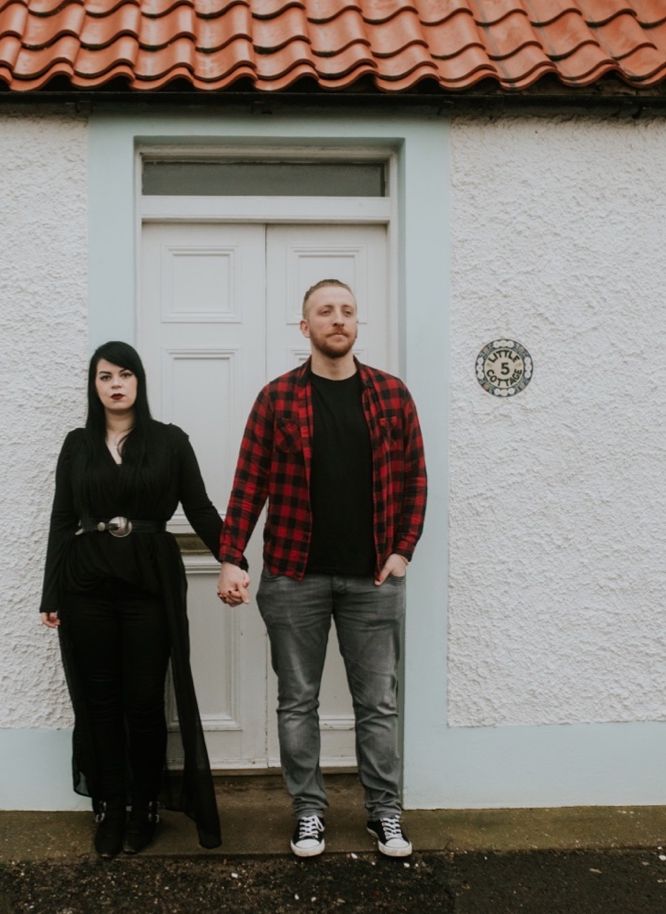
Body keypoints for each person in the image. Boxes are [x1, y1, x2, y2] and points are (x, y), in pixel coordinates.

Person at [216, 279, 428, 859]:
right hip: (292, 576)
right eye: (325, 312)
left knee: (378, 703)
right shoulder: (277, 399)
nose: (338, 320)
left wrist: (402, 549)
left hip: (374, 580)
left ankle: (384, 814)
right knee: (297, 701)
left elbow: (415, 480)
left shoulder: (391, 395)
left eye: (347, 311)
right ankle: (308, 812)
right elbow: (248, 484)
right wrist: (232, 555)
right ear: (304, 327)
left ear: (358, 324)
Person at [41, 340, 238, 857]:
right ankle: (111, 803)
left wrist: (232, 558)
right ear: (94, 385)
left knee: (145, 701)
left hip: (149, 585)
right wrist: (51, 590)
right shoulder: (76, 445)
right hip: (87, 586)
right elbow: (63, 519)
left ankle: (145, 804)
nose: (115, 384)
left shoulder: (170, 442)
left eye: (125, 374)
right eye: (105, 376)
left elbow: (199, 507)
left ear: (139, 382)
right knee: (101, 702)